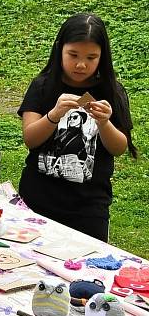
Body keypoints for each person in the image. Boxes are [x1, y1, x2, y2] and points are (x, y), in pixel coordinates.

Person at [18, 13, 136, 241]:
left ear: (102, 57)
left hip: (88, 207)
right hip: (38, 198)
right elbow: (30, 139)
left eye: (91, 57)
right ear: (59, 49)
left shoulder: (111, 91)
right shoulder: (43, 86)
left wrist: (104, 123)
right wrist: (54, 115)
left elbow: (119, 147)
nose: (81, 64)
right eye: (73, 55)